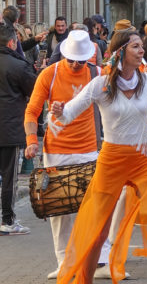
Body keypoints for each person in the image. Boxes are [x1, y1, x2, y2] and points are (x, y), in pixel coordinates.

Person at [50, 29, 147, 284]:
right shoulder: (101, 84)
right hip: (111, 160)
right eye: (136, 47)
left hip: (142, 158)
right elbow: (66, 116)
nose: (142, 51)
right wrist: (58, 110)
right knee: (99, 227)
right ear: (120, 52)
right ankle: (85, 280)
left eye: (142, 46)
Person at [23, 30, 126, 279]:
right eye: (72, 60)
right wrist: (30, 141)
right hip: (56, 151)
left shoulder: (97, 73)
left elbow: (120, 100)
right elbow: (32, 110)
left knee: (94, 207)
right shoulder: (50, 73)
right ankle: (64, 263)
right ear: (65, 55)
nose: (76, 65)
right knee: (60, 212)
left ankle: (100, 261)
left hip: (89, 149)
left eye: (80, 61)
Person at [0, 24, 37, 235]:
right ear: (13, 42)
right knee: (9, 177)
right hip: (9, 127)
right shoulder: (17, 65)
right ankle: (8, 220)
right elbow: (35, 90)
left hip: (8, 125)